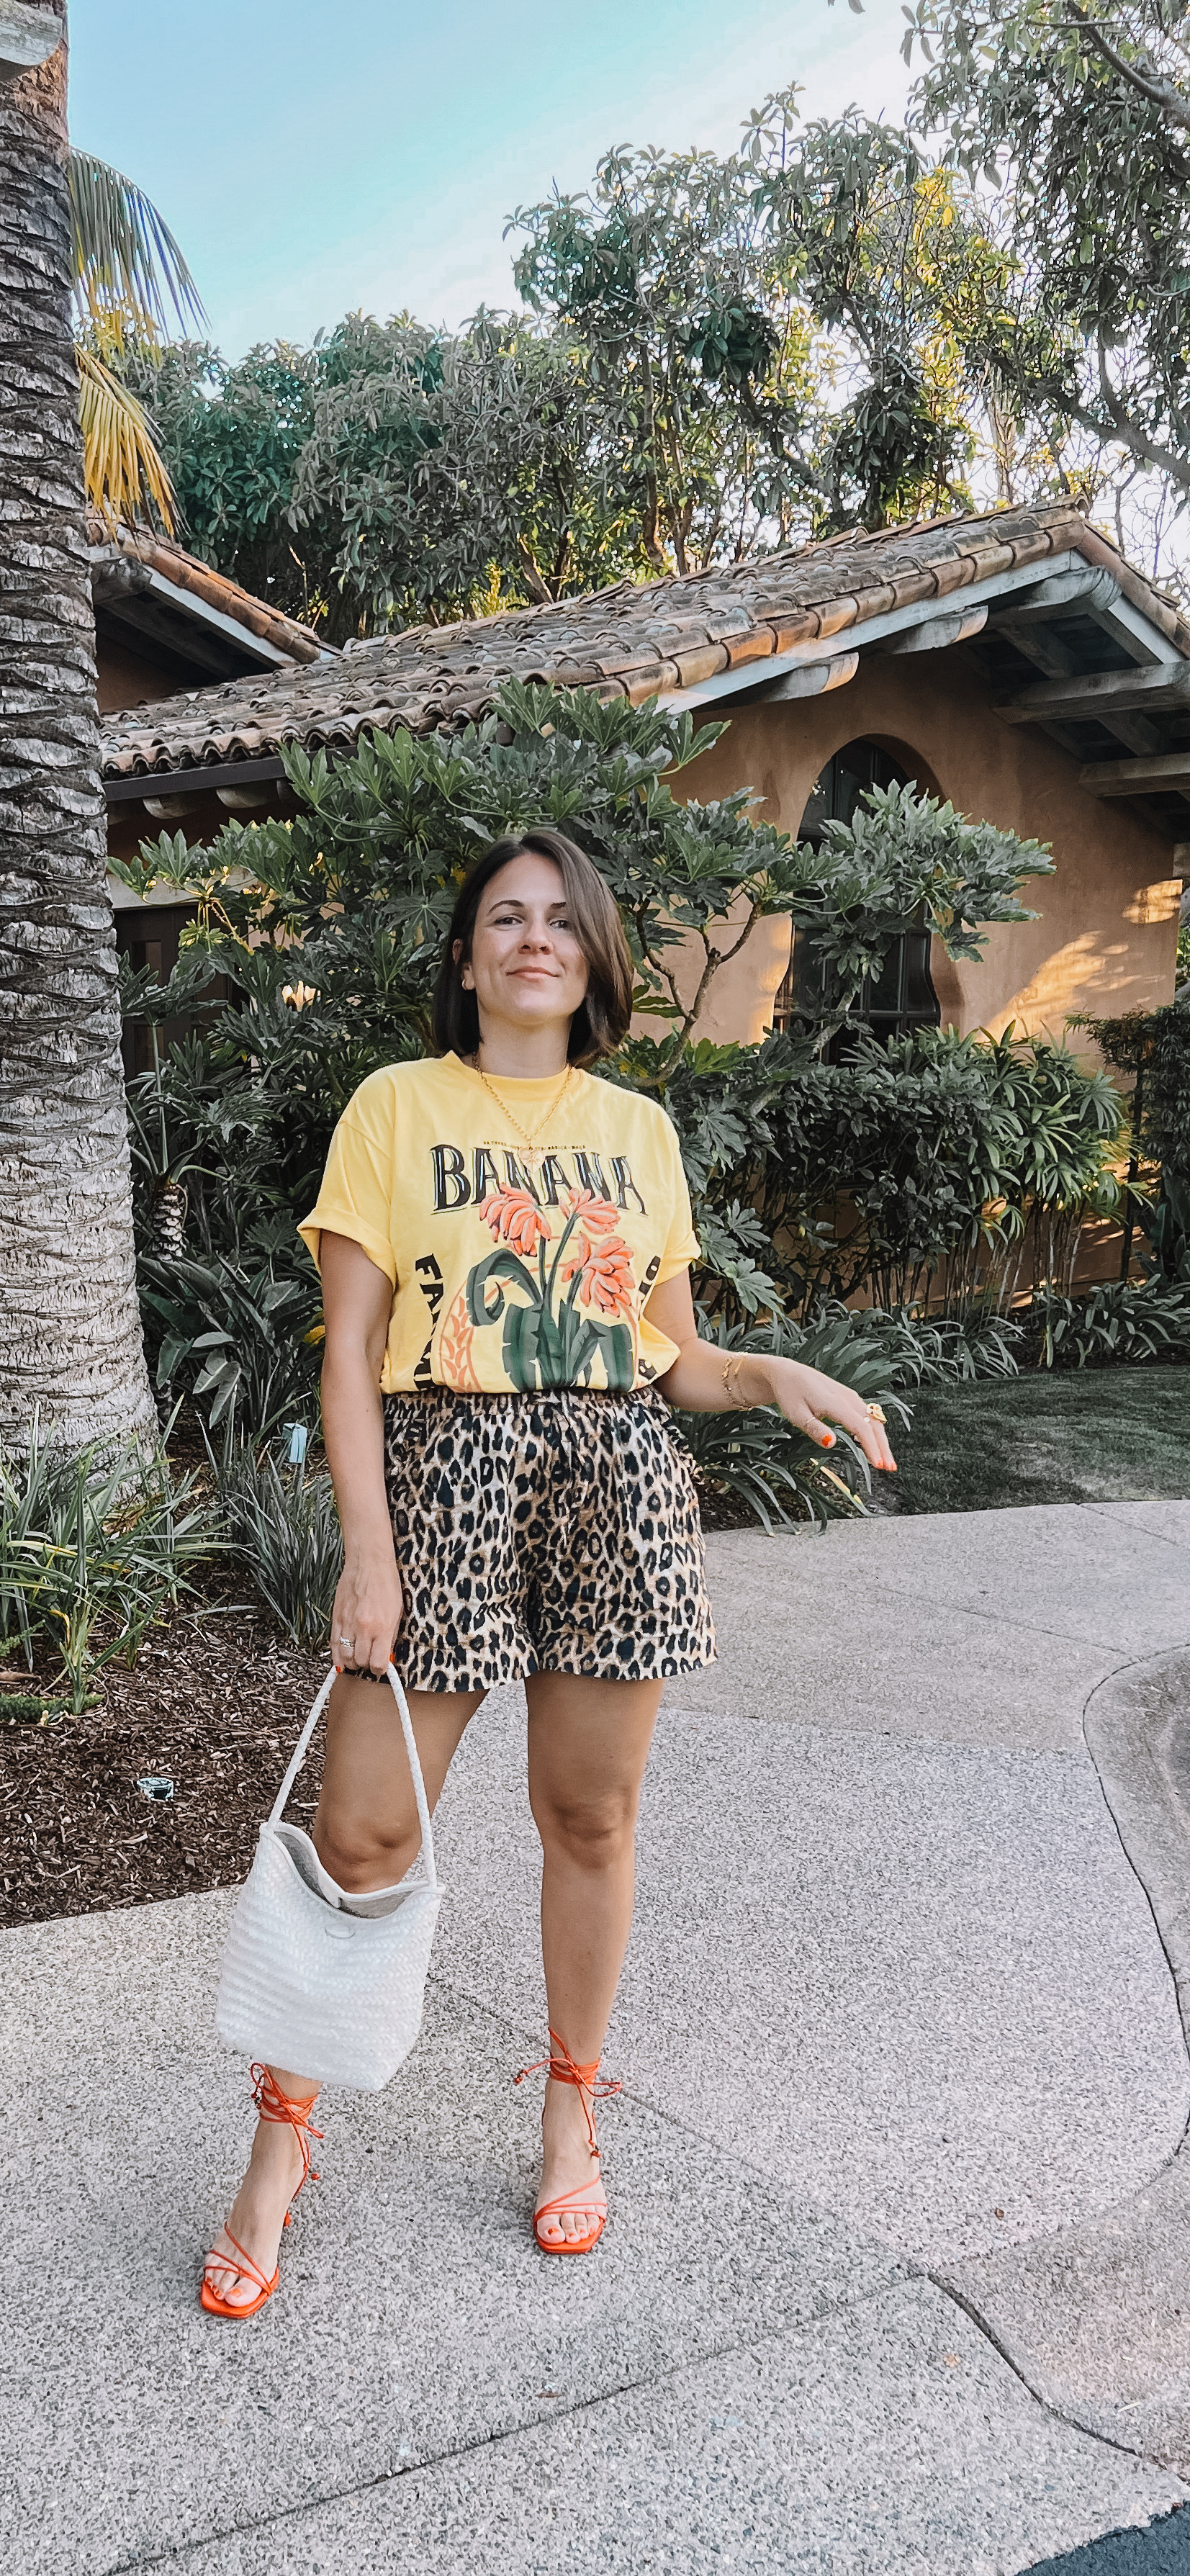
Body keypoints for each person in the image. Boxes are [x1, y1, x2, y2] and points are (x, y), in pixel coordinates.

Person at [200, 829, 895, 2318]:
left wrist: (768, 1373)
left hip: (617, 1474)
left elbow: (673, 1354)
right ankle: (280, 2148)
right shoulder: (396, 1107)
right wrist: (366, 1556)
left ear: (593, 959)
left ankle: (571, 2106)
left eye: (558, 922)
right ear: (466, 960)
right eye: (503, 921)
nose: (531, 941)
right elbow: (347, 1360)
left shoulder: (637, 1130)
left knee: (592, 1814)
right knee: (364, 1838)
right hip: (443, 1473)